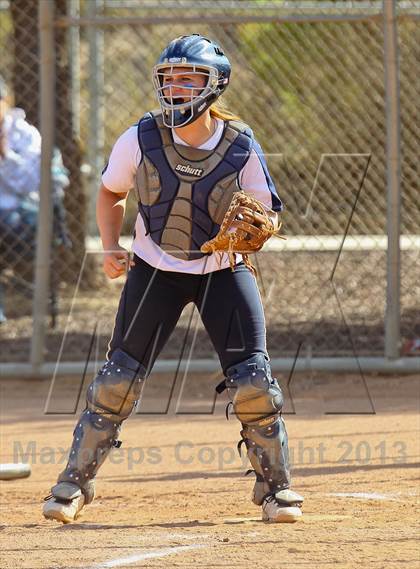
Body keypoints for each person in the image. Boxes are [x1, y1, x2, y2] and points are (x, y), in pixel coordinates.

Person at [43, 34, 303, 524]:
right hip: (155, 270)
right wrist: (110, 246)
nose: (175, 88)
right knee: (116, 381)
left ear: (215, 85)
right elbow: (109, 193)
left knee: (253, 383)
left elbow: (266, 211)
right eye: (168, 79)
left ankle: (276, 489)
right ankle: (73, 485)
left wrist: (255, 230)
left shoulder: (240, 144)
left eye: (188, 79)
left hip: (222, 271)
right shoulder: (139, 138)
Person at [0, 74, 69, 323]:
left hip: (22, 212)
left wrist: (5, 154)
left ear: (6, 100)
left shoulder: (26, 135)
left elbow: (30, 183)